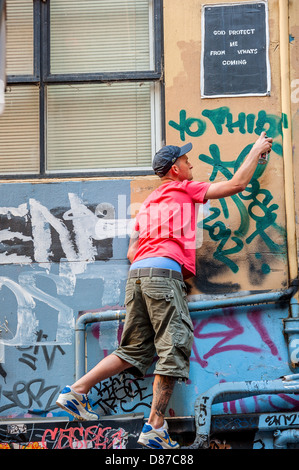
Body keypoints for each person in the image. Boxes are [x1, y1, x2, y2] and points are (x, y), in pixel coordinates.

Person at [56, 132, 272, 449]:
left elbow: (132, 252)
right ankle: (155, 426)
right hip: (162, 275)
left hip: (138, 276)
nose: (191, 163)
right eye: (186, 160)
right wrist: (255, 150)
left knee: (133, 350)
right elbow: (236, 185)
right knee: (173, 347)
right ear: (175, 169)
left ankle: (75, 391)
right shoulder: (185, 189)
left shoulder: (149, 204)